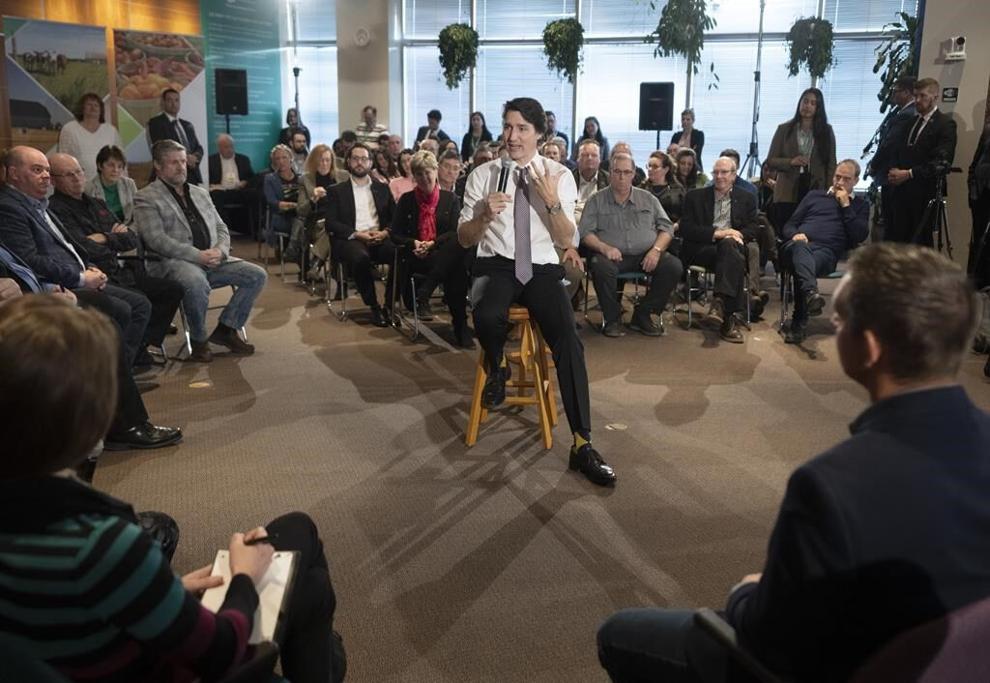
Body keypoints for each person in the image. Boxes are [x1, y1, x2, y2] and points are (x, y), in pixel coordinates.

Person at [597, 242, 990, 683]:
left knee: (618, 632)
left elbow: (773, 640)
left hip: (836, 664)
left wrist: (746, 593)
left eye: (841, 324)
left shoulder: (830, 485)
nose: (837, 333)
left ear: (870, 348)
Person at [0, 295, 346, 683]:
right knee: (301, 536)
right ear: (91, 417)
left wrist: (166, 592)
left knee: (312, 590)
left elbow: (64, 615)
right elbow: (223, 653)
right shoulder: (102, 544)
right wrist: (245, 576)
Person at [458, 96, 615, 487]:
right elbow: (463, 240)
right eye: (507, 127)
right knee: (487, 313)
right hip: (496, 264)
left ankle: (583, 443)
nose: (511, 136)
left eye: (521, 128)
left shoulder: (560, 175)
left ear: (540, 134)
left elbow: (567, 240)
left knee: (568, 338)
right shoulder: (482, 175)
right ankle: (498, 365)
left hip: (543, 268)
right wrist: (481, 215)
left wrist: (550, 203)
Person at [0, 155, 180, 452]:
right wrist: (78, 278)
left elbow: (80, 244)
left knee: (131, 308)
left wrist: (87, 268)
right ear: (11, 174)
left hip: (72, 277)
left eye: (46, 170)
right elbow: (28, 260)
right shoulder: (10, 207)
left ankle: (117, 392)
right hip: (41, 292)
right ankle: (125, 422)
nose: (46, 176)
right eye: (37, 170)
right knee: (109, 323)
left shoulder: (41, 204)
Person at [134, 140, 268, 363]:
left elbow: (221, 227)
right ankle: (198, 340)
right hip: (172, 263)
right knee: (195, 282)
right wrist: (198, 255)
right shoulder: (146, 197)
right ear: (158, 165)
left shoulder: (200, 192)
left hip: (213, 258)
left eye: (184, 161)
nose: (181, 167)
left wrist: (221, 250)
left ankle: (227, 329)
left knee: (257, 275)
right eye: (174, 162)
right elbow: (156, 240)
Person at [48, 152, 184, 365]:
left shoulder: (96, 203)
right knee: (140, 302)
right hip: (95, 274)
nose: (77, 178)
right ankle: (125, 363)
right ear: (54, 180)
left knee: (172, 290)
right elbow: (83, 248)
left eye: (79, 172)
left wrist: (103, 237)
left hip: (120, 269)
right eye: (68, 175)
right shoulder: (55, 210)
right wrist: (113, 238)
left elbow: (130, 238)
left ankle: (140, 345)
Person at [580, 153, 683, 338]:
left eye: (627, 172)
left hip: (646, 254)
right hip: (610, 256)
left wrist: (656, 250)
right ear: (610, 173)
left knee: (673, 266)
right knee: (600, 266)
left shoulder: (648, 199)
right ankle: (612, 319)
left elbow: (667, 228)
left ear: (634, 173)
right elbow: (585, 232)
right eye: (617, 171)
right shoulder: (596, 200)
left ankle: (643, 314)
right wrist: (604, 248)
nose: (621, 176)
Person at [780, 159, 870, 344]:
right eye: (837, 177)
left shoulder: (860, 205)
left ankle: (802, 316)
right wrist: (796, 235)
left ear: (856, 181)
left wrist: (845, 206)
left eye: (846, 179)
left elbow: (858, 236)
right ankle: (809, 297)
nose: (839, 183)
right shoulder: (814, 196)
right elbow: (789, 224)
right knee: (800, 251)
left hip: (826, 253)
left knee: (803, 265)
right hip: (796, 246)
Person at [390, 150, 471, 346]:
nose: (425, 178)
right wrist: (414, 243)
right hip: (415, 256)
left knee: (455, 259)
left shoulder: (450, 198)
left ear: (435, 171)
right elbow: (395, 234)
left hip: (441, 252)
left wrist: (433, 244)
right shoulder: (407, 200)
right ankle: (460, 324)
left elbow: (454, 231)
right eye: (419, 174)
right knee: (455, 267)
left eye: (428, 172)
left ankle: (427, 292)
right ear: (414, 177)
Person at [678, 156, 759, 344]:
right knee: (733, 256)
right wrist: (719, 233)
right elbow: (685, 228)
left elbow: (754, 227)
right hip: (703, 250)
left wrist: (735, 234)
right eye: (716, 172)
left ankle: (719, 306)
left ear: (734, 175)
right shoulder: (695, 197)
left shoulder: (747, 198)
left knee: (731, 249)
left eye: (724, 172)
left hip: (732, 248)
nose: (719, 176)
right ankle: (728, 319)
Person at [879, 77, 958, 246]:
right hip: (900, 192)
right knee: (897, 240)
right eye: (915, 96)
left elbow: (941, 161)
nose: (917, 100)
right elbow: (897, 150)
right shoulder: (910, 123)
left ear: (935, 97)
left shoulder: (945, 124)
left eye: (922, 96)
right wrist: (894, 170)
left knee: (920, 242)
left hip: (924, 194)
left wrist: (909, 174)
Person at [325, 143, 396, 328]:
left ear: (371, 163)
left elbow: (394, 218)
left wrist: (385, 232)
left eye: (364, 159)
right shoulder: (336, 191)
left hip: (379, 237)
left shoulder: (382, 188)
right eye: (355, 158)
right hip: (352, 239)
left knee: (399, 254)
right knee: (360, 257)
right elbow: (331, 223)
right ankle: (374, 306)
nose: (359, 163)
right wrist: (357, 234)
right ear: (348, 162)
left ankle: (390, 304)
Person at [766, 87, 837, 231]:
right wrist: (791, 162)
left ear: (818, 108)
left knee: (809, 233)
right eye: (805, 101)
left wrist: (829, 191)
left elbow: (831, 164)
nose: (808, 106)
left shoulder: (826, 131)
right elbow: (771, 161)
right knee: (785, 232)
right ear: (799, 103)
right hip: (787, 191)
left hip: (815, 189)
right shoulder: (784, 129)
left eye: (813, 103)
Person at [867, 75, 917, 236]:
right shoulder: (903, 111)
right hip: (894, 175)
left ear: (908, 93)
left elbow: (889, 144)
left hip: (893, 175)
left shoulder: (906, 114)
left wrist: (874, 165)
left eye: (896, 91)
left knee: (893, 224)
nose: (893, 95)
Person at [57, 92, 123, 180]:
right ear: (82, 108)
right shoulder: (69, 129)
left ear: (101, 110)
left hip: (108, 184)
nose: (93, 108)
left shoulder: (111, 130)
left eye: (96, 105)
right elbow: (63, 159)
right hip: (79, 184)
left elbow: (120, 158)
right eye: (89, 104)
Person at [147, 89, 205, 185]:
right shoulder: (156, 123)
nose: (174, 104)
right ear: (163, 103)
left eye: (176, 100)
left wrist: (195, 157)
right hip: (169, 176)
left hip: (191, 175)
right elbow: (160, 148)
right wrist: (185, 158)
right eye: (170, 100)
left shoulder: (187, 125)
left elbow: (198, 147)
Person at [298, 143, 337, 274]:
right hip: (316, 222)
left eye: (328, 160)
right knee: (332, 228)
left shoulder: (342, 177)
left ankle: (317, 260)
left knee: (335, 227)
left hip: (339, 219)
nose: (324, 164)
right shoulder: (305, 179)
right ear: (314, 161)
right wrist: (313, 198)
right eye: (321, 160)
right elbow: (301, 210)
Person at [263, 144, 303, 260]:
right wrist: (297, 206)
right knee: (301, 223)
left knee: (305, 222)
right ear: (273, 161)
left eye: (284, 157)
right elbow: (274, 203)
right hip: (281, 217)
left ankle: (292, 249)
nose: (281, 161)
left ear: (291, 158)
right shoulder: (270, 179)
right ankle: (295, 251)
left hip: (301, 216)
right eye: (277, 158)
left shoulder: (301, 178)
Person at [84, 144, 138, 224]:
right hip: (105, 231)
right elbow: (91, 220)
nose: (115, 170)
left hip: (129, 228)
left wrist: (129, 230)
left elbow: (138, 213)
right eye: (111, 165)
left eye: (120, 166)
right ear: (100, 166)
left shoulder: (129, 184)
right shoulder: (89, 188)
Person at [968, 123, 990, 288]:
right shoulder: (988, 128)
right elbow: (976, 160)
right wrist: (971, 183)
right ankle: (979, 282)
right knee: (979, 238)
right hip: (980, 195)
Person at [640, 151, 685, 225]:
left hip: (672, 231)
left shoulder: (677, 190)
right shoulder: (642, 188)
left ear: (666, 169)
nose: (650, 169)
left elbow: (685, 215)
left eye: (655, 166)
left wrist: (674, 227)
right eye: (649, 166)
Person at [573, 140, 609, 224]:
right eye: (585, 155)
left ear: (600, 159)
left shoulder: (609, 180)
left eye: (594, 155)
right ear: (578, 158)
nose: (589, 158)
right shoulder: (568, 179)